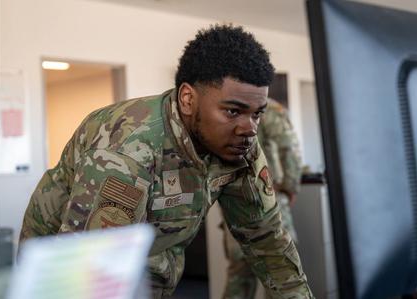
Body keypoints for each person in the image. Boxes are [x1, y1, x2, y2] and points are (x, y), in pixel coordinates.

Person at [19, 24, 313, 298]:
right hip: (65, 274)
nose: (249, 129)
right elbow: (88, 273)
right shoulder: (129, 149)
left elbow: (267, 240)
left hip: (154, 269)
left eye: (257, 113)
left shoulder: (238, 144)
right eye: (233, 111)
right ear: (187, 99)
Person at [222, 98, 303, 299]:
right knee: (281, 267)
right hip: (268, 195)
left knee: (240, 270)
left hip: (233, 196)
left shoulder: (226, 107)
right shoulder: (270, 109)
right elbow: (289, 148)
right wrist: (290, 186)